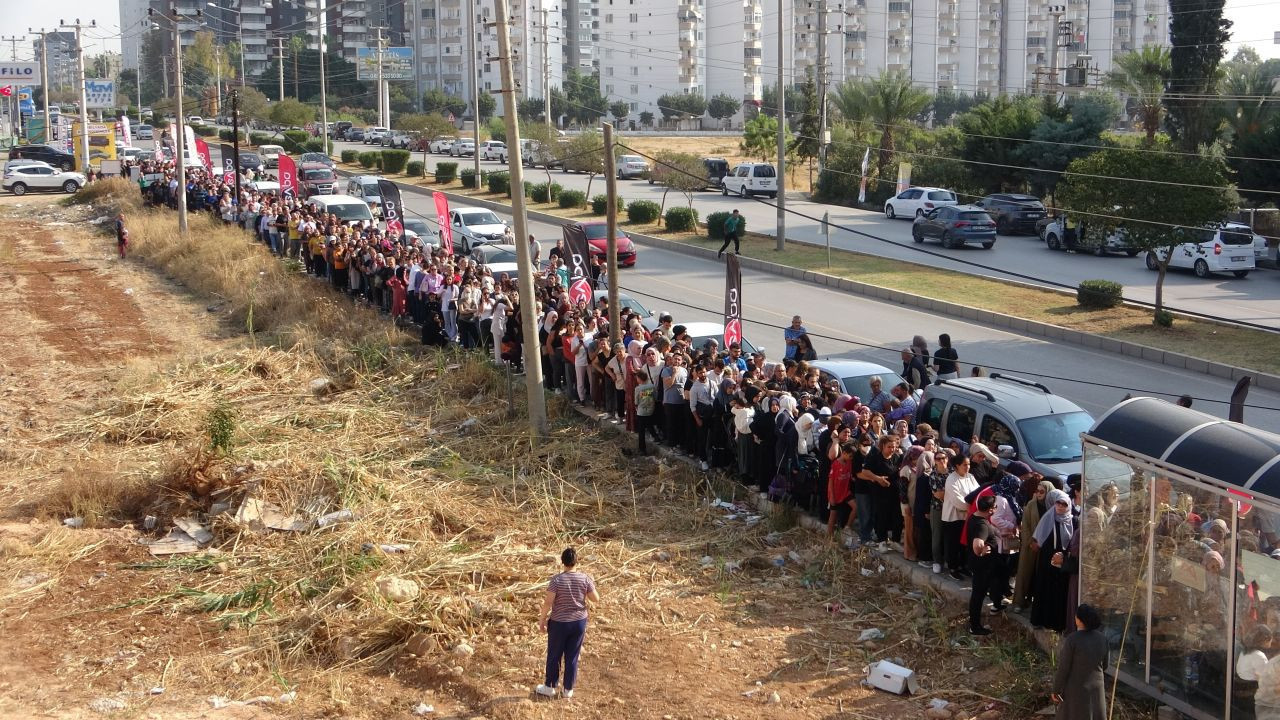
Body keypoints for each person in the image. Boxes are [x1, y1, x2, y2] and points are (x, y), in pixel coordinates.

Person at [536, 547, 600, 700]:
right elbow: (595, 598)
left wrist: (542, 620)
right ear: (576, 561)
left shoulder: (556, 580)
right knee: (572, 656)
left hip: (559, 623)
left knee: (554, 655)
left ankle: (550, 686)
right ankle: (568, 690)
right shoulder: (585, 578)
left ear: (562, 561)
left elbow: (548, 603)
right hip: (578, 622)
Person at [1051, 604, 1108, 720]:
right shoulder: (1103, 638)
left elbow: (1064, 669)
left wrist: (1056, 690)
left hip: (1077, 689)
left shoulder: (1072, 639)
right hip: (1098, 688)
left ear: (1080, 620)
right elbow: (1105, 665)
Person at [1031, 489, 1075, 632]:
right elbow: (1038, 541)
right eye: (1058, 503)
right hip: (1047, 561)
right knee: (1045, 589)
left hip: (1064, 561)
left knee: (1060, 592)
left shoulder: (1073, 520)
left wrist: (1064, 557)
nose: (1061, 507)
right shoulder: (1048, 517)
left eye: (1064, 504)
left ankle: (1057, 623)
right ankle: (1041, 621)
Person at [967, 494, 1000, 635]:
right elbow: (977, 544)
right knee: (978, 596)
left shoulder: (974, 517)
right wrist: (982, 551)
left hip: (978, 564)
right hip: (983, 566)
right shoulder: (982, 525)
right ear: (991, 510)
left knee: (978, 594)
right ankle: (975, 627)